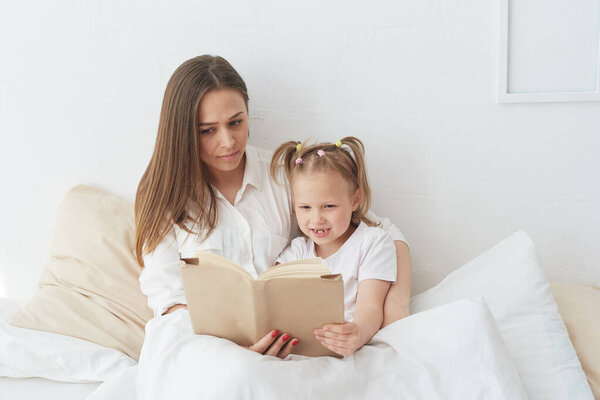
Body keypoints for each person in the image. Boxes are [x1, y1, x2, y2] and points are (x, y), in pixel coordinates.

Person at [134, 55, 412, 361]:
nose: (228, 141)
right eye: (208, 130)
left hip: (283, 348)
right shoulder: (164, 196)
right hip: (200, 346)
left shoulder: (281, 173)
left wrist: (394, 310)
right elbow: (168, 299)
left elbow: (381, 231)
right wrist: (232, 351)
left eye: (236, 122)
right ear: (183, 132)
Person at [272, 138, 397, 356]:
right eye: (305, 207)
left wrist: (357, 333)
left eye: (328, 206)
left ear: (355, 200)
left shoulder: (373, 243)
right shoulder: (298, 250)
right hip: (301, 349)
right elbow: (270, 292)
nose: (316, 219)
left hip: (348, 348)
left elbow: (371, 308)